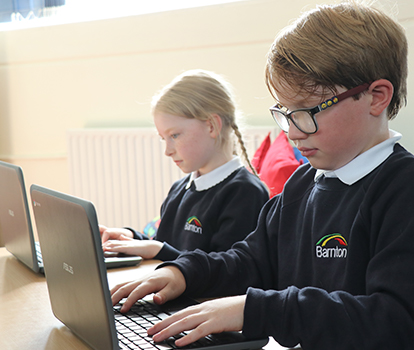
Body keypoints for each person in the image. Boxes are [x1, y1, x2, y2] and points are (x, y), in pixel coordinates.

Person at [110, 1, 414, 349]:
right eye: (285, 112)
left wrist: (257, 309)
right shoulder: (303, 183)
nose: (292, 133)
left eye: (305, 112)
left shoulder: (402, 190)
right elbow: (250, 261)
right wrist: (183, 273)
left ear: (376, 97)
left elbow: (395, 320)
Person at [100, 69, 269, 261]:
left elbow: (227, 272)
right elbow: (166, 246)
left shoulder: (245, 192)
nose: (168, 150)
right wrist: (129, 239)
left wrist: (159, 250)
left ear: (212, 125)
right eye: (163, 138)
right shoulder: (180, 189)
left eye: (174, 135)